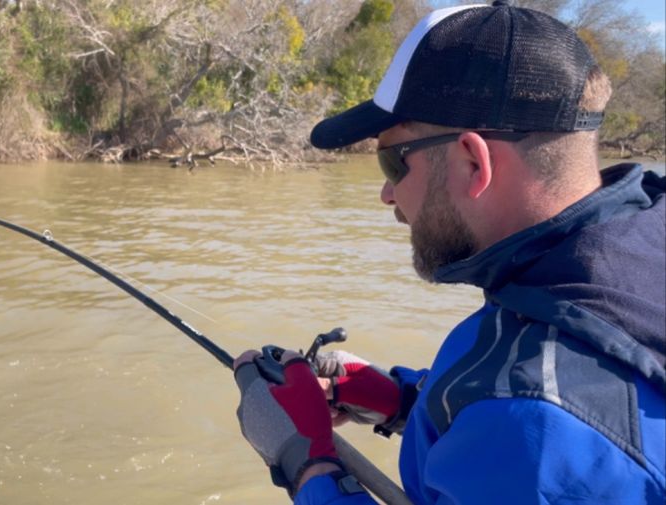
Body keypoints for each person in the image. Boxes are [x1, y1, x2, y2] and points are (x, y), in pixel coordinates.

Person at [231, 2, 666, 504]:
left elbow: (532, 425)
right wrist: (405, 401)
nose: (387, 195)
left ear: (472, 161)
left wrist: (304, 460)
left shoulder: (533, 429)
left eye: (393, 161)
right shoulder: (604, 261)